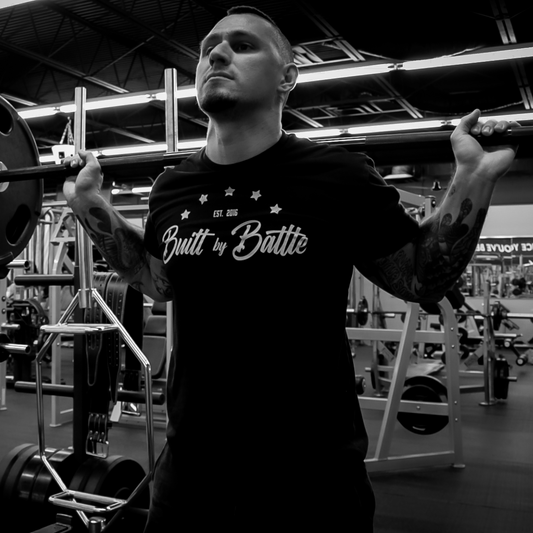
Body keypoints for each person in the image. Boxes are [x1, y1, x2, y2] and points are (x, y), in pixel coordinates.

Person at [63, 5, 519, 532]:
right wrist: (91, 206)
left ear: (288, 77)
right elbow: (157, 281)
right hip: (191, 464)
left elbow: (419, 277)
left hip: (310, 473)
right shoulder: (172, 188)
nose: (215, 53)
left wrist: (474, 178)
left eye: (243, 44)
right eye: (210, 47)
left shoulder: (337, 175)